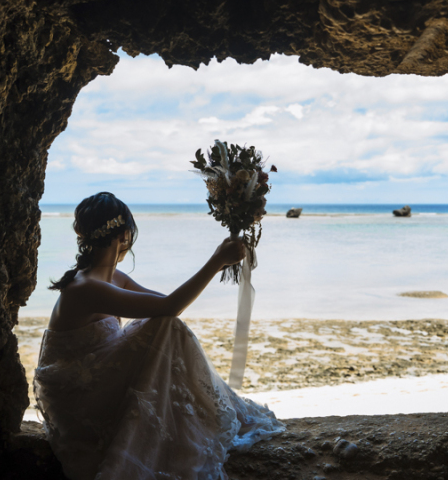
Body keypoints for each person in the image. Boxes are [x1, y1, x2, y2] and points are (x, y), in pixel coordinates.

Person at [34, 192, 285, 480]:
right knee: (166, 327)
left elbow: (165, 304)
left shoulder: (111, 278)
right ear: (125, 235)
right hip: (78, 398)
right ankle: (210, 417)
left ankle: (208, 416)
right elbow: (171, 307)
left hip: (97, 379)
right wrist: (215, 261)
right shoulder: (86, 287)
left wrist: (217, 264)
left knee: (165, 326)